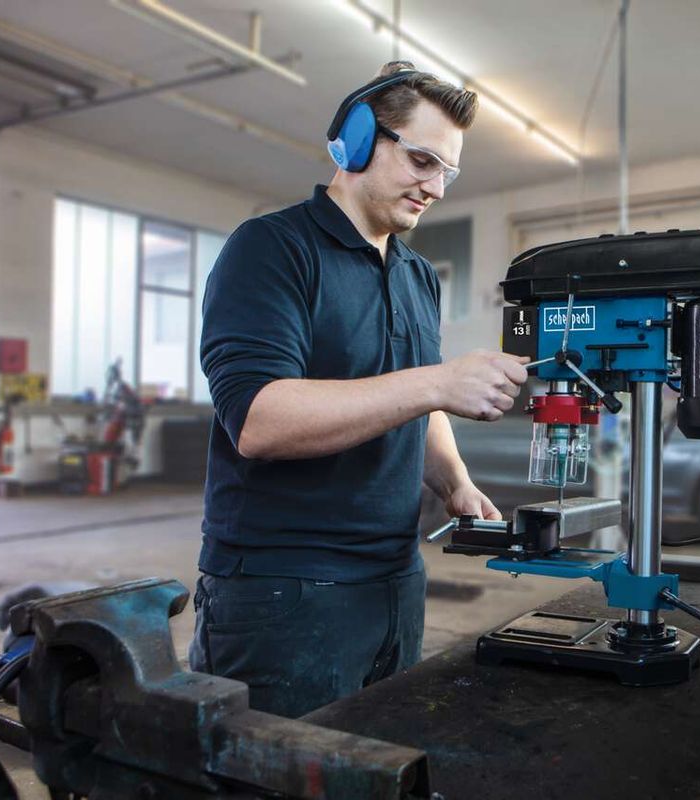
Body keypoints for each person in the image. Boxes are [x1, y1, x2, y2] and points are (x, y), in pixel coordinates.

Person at [189, 61, 529, 718]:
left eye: (448, 174)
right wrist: (436, 379)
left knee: (380, 762)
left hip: (396, 578)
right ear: (355, 139)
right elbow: (259, 420)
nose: (435, 188)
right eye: (423, 160)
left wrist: (454, 483)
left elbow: (419, 404)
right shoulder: (272, 249)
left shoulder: (417, 275)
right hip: (284, 590)